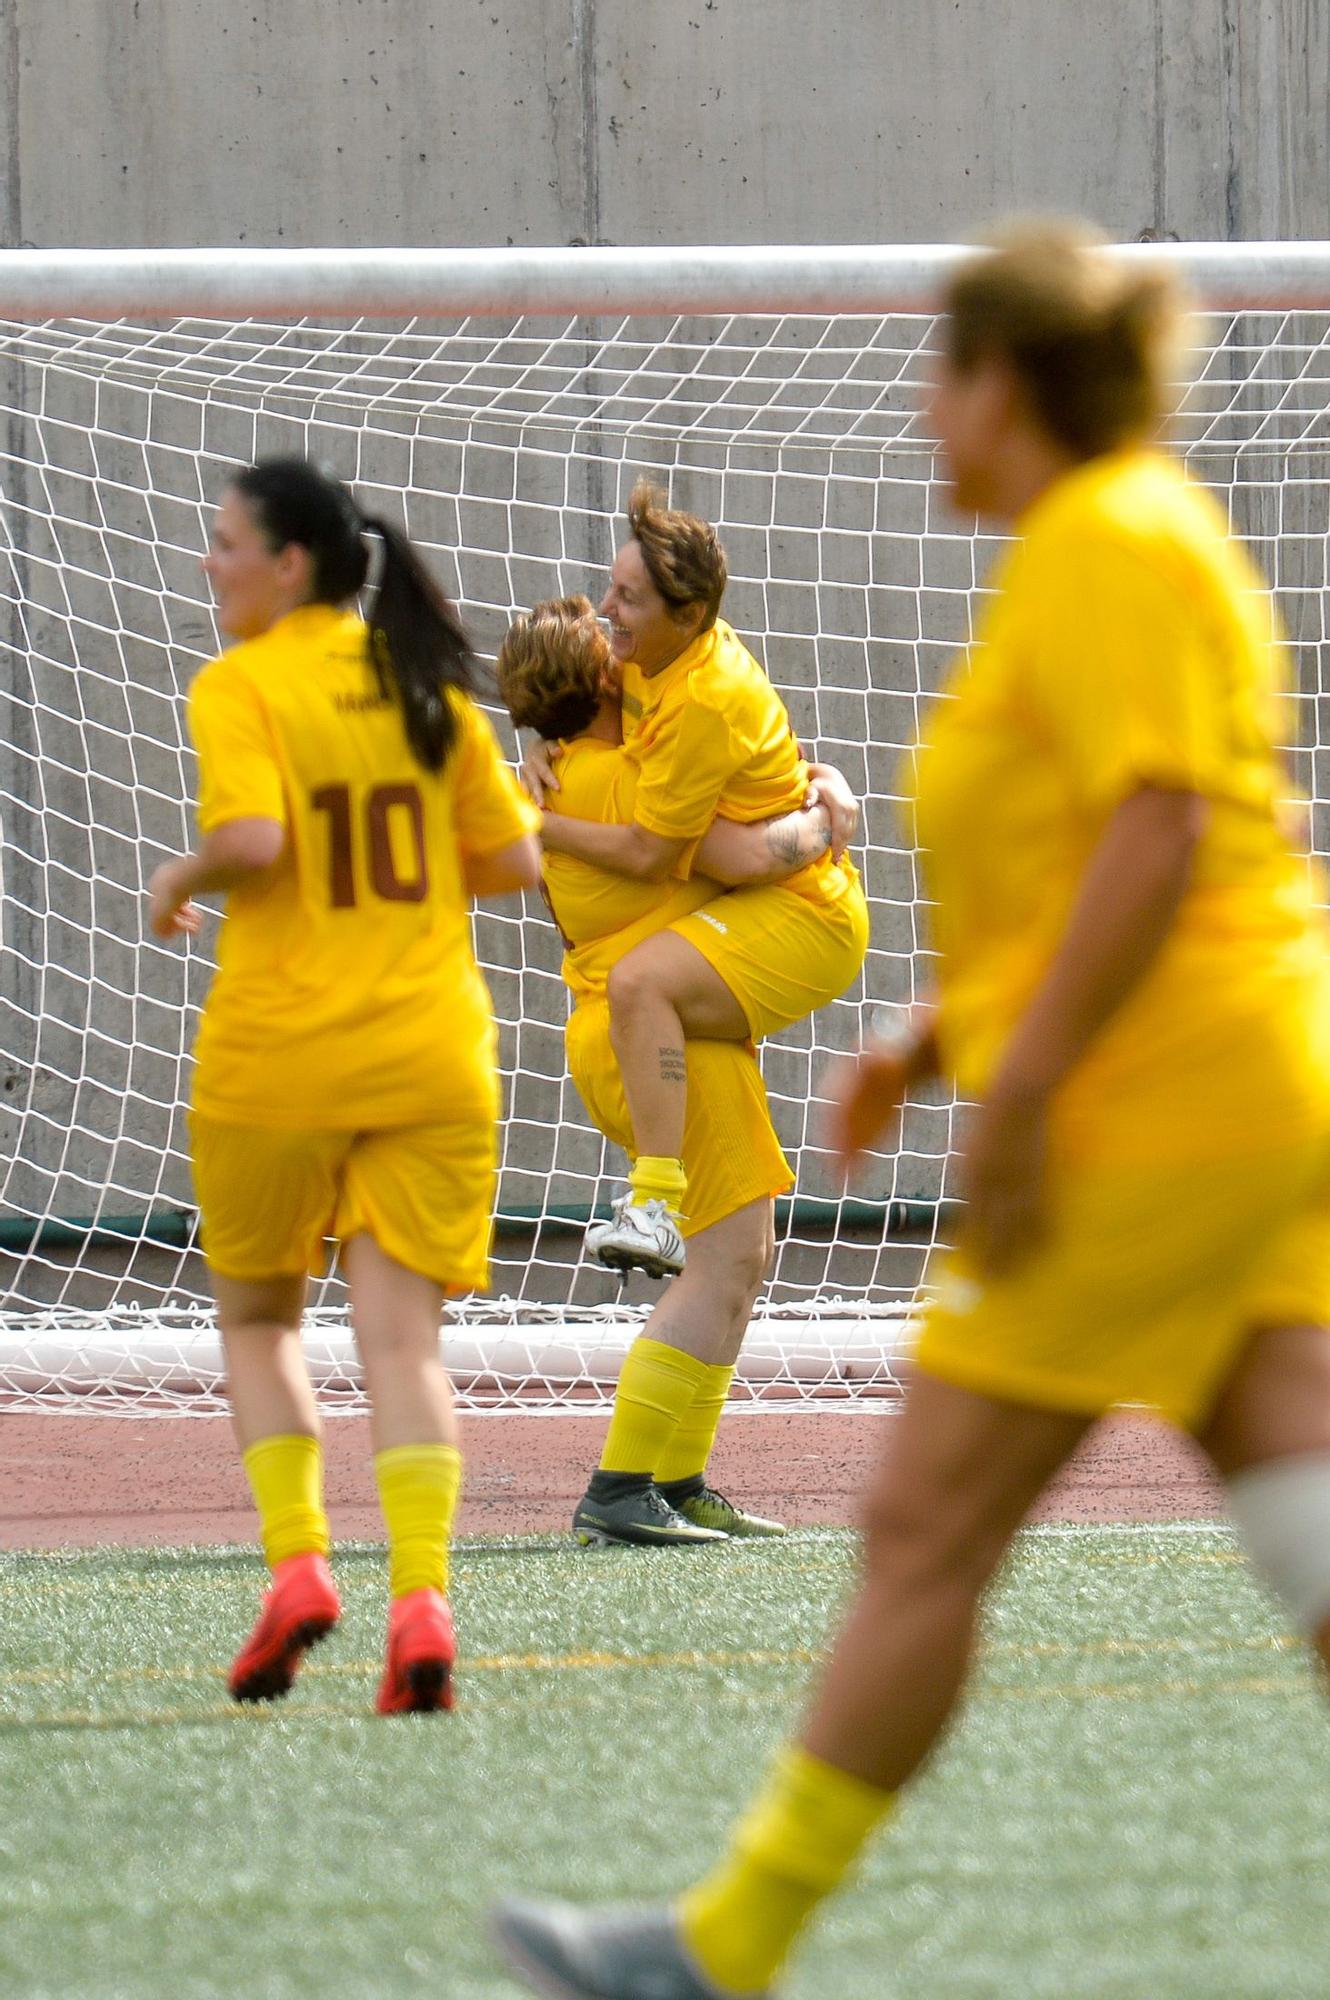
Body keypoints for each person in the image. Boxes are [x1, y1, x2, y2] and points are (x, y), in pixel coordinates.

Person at [490, 220, 1330, 1997]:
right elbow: (1095, 854)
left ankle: (719, 1951)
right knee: (1305, 1509)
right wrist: (935, 1034)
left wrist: (1014, 1091)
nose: (920, 413)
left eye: (939, 376)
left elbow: (1167, 835)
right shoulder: (1092, 548)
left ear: (1007, 383)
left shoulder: (1109, 539)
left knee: (928, 1527)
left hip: (1157, 1119)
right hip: (1235, 1095)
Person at [148, 457, 540, 1715]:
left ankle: (301, 1567)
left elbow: (255, 841)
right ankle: (421, 1597)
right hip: (434, 1054)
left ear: (291, 563)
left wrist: (178, 877)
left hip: (282, 1059)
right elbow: (514, 860)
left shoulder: (241, 684)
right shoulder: (428, 687)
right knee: (403, 1344)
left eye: (224, 543)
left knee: (263, 1325)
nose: (210, 564)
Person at [498, 595, 848, 1547]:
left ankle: (678, 1478)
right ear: (608, 681)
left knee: (742, 1254)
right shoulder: (616, 779)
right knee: (725, 1258)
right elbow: (740, 850)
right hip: (651, 1040)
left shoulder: (563, 774)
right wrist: (829, 803)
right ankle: (620, 1488)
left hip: (649, 1032)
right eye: (615, 649)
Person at [523, 485, 870, 1282]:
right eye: (611, 589)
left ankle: (654, 1205)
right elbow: (737, 833)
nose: (608, 610)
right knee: (734, 1276)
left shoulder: (696, 704)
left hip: (800, 915)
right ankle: (655, 1203)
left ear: (689, 615)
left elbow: (672, 854)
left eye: (628, 598)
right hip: (738, 923)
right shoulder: (653, 665)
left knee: (644, 982)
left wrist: (533, 819)